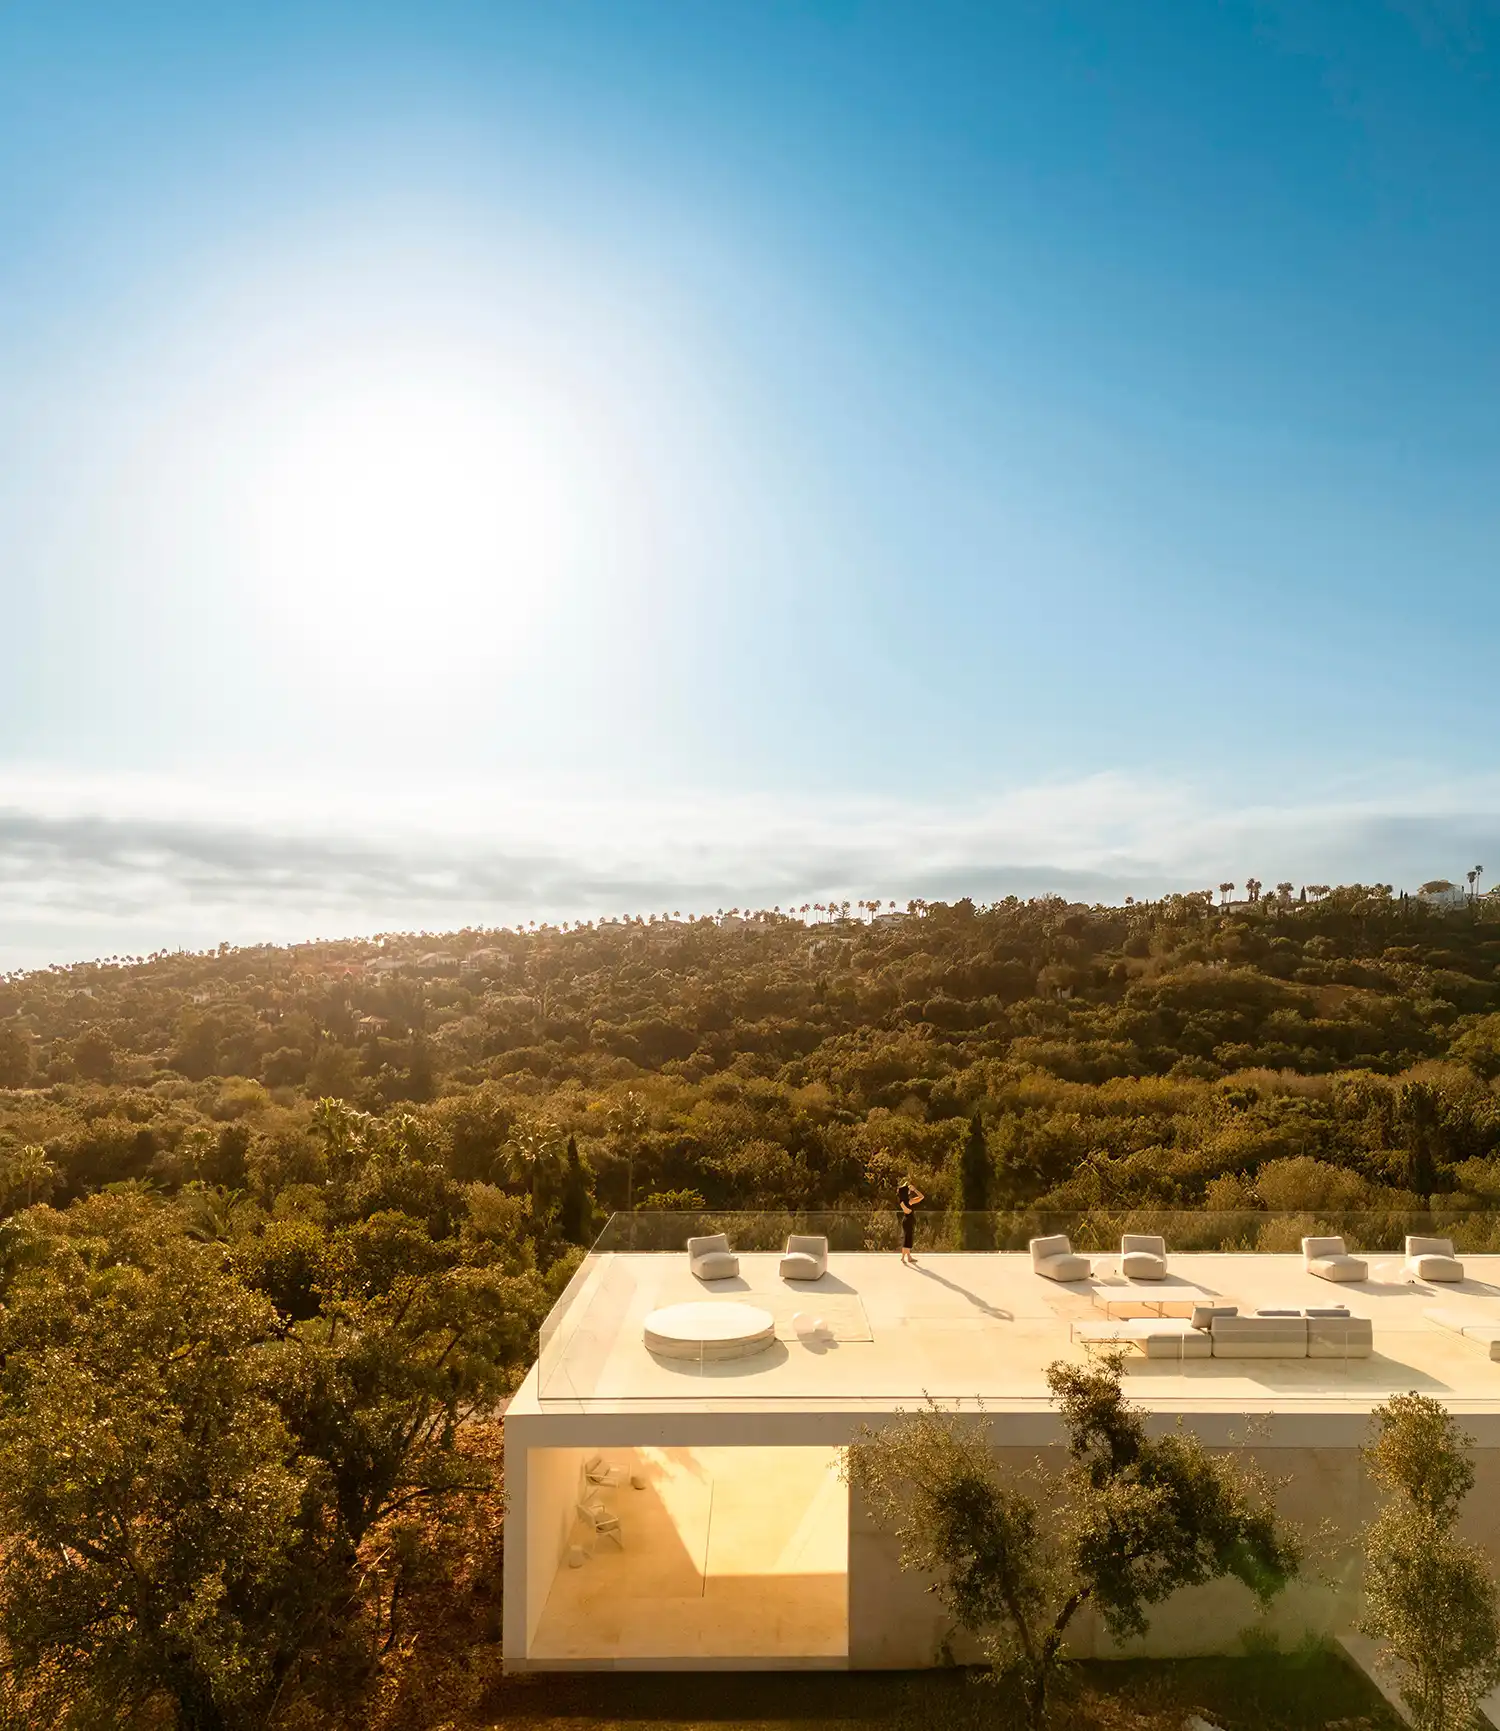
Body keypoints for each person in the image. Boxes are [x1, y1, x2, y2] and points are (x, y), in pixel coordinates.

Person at [897, 1178, 925, 1264]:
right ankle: (903, 1257)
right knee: (907, 1239)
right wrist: (915, 1190)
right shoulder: (909, 1201)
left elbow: (906, 1210)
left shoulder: (902, 1201)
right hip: (908, 1221)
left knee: (907, 1238)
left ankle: (908, 1257)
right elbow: (921, 1197)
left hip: (906, 1221)